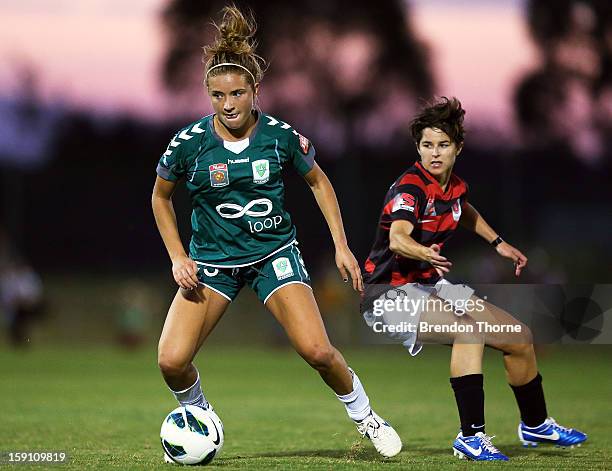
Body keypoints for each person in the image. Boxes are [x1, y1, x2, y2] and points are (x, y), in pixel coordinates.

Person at [151, 5, 401, 461]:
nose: (228, 104)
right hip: (210, 264)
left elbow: (320, 182)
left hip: (273, 255)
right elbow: (160, 197)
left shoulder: (282, 137)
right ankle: (200, 415)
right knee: (170, 360)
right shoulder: (188, 144)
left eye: (237, 93)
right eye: (217, 94)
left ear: (254, 90)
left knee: (318, 351)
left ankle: (367, 417)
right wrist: (177, 256)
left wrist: (340, 246)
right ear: (207, 94)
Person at [362, 97, 587, 461]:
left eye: (443, 145)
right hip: (388, 295)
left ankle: (536, 424)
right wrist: (422, 252)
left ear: (458, 147)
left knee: (520, 338)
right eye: (426, 145)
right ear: (417, 148)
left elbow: (462, 210)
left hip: (429, 286)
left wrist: (497, 242)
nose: (434, 153)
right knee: (469, 331)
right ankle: (470, 438)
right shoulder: (411, 188)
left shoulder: (455, 187)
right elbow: (397, 236)